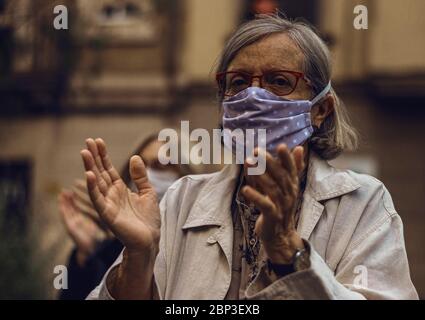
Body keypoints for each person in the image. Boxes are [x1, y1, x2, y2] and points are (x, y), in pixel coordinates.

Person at [83, 15, 418, 299]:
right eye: (238, 82)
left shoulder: (362, 204)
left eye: (279, 81)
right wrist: (138, 258)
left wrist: (288, 250)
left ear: (320, 110)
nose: (254, 95)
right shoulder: (181, 201)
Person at [58, 134, 188, 299]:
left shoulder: (199, 241)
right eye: (139, 165)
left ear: (186, 173)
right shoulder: (117, 247)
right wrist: (87, 256)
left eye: (160, 165)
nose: (146, 174)